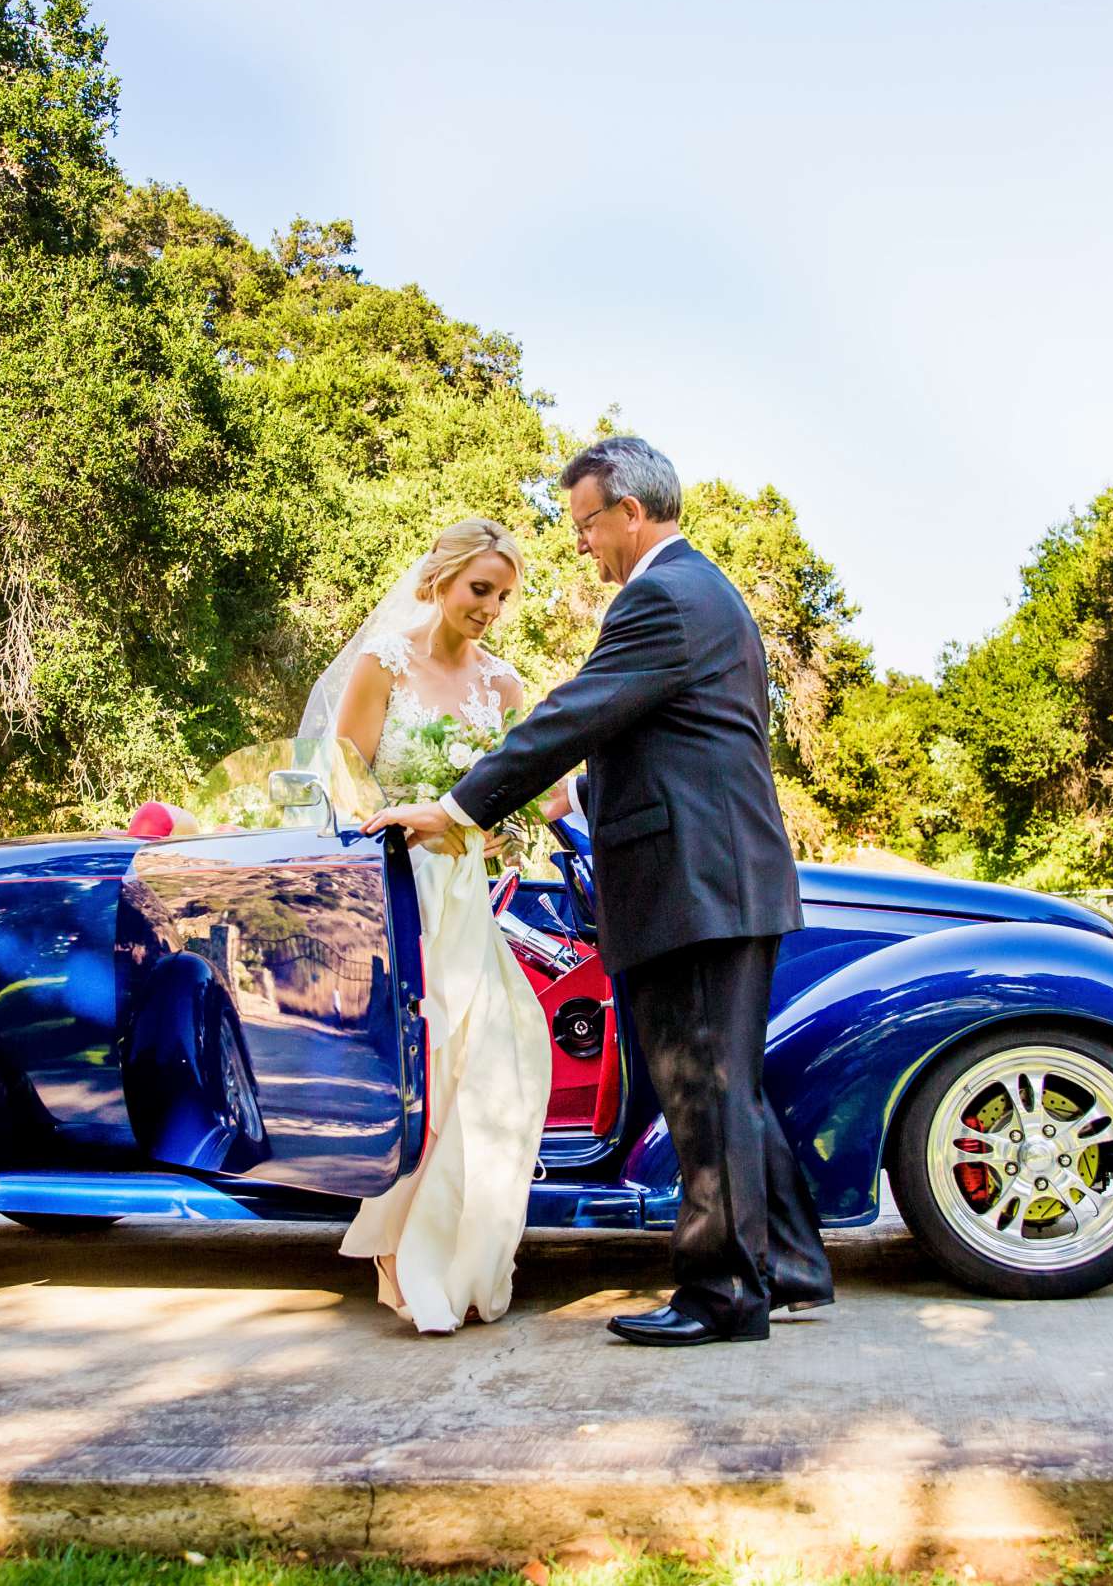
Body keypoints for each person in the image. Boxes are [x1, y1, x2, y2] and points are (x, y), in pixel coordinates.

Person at [365, 437, 833, 1347]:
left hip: (693, 886)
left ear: (630, 511)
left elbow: (576, 717)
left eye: (587, 523)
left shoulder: (661, 596)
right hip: (720, 877)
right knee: (729, 1087)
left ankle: (723, 1295)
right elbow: (663, 742)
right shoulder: (704, 592)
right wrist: (569, 802)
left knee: (702, 1090)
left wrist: (459, 807)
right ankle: (794, 1266)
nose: (583, 543)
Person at [302, 518, 553, 1335]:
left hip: (471, 896)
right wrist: (404, 821)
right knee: (431, 1066)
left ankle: (468, 1251)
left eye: (503, 596)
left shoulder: (505, 685)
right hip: (400, 891)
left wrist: (487, 831)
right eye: (480, 588)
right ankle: (406, 1254)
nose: (490, 608)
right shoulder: (384, 665)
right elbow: (344, 785)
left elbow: (520, 803)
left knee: (500, 1059)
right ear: (441, 578)